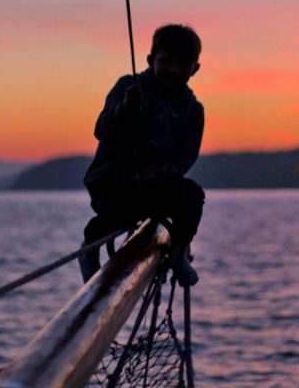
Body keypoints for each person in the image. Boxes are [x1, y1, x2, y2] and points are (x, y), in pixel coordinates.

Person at [79, 24, 205, 287]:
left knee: (192, 197)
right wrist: (124, 109)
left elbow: (185, 158)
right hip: (114, 182)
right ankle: (89, 251)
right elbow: (101, 129)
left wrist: (158, 176)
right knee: (116, 217)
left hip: (156, 185)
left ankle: (178, 252)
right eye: (166, 61)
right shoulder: (128, 87)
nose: (173, 69)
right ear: (150, 60)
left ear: (195, 69)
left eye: (182, 64)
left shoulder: (193, 111)